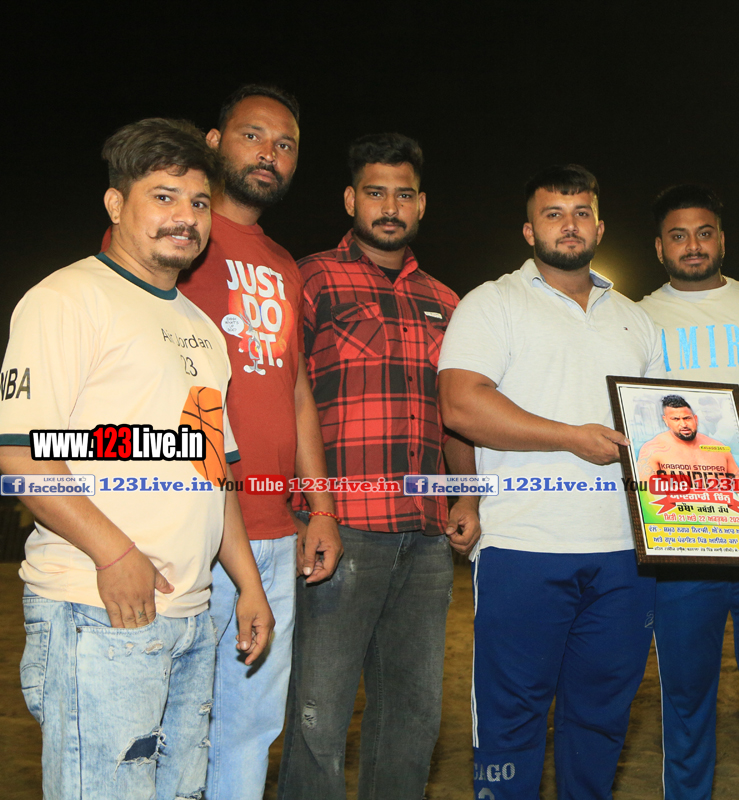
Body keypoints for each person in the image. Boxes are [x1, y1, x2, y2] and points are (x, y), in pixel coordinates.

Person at [0, 118, 273, 799]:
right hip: (97, 608)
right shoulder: (65, 300)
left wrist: (248, 584)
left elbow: (211, 470)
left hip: (190, 616)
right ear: (116, 204)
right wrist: (115, 554)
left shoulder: (202, 330)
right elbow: (21, 459)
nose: (186, 216)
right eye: (164, 196)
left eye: (200, 201)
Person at [100, 84, 344, 799]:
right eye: (253, 135)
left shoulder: (285, 265)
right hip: (189, 530)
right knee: (167, 732)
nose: (269, 153)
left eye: (285, 144)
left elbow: (295, 389)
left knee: (250, 729)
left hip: (271, 531)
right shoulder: (174, 243)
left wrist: (321, 506)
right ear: (213, 142)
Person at [438, 164, 663, 800]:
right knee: (511, 721)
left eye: (581, 213)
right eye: (553, 214)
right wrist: (569, 436)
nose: (569, 225)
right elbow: (460, 404)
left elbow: (660, 427)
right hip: (524, 547)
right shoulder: (492, 303)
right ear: (529, 229)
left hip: (626, 555)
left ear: (600, 225)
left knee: (601, 722)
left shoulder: (635, 319)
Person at [278, 132, 479, 800]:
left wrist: (467, 496)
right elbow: (285, 397)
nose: (389, 207)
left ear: (421, 204)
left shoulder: (448, 301)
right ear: (350, 200)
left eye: (403, 195)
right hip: (341, 531)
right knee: (319, 714)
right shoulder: (309, 280)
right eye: (375, 193)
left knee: (413, 718)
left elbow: (457, 413)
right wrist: (309, 510)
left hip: (424, 538)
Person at [635, 185, 739, 799]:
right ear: (659, 247)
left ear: (722, 239)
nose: (693, 245)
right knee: (685, 697)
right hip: (682, 537)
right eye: (678, 235)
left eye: (704, 232)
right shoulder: (636, 317)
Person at [636, 395, 739, 484]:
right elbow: (646, 495)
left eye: (687, 418)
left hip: (718, 504)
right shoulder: (652, 450)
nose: (684, 424)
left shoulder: (719, 448)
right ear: (666, 421)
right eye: (676, 419)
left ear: (695, 419)